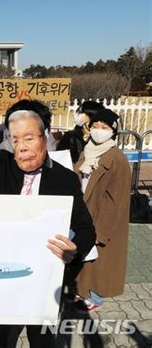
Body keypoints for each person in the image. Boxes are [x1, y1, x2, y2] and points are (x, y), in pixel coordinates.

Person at [0, 59, 96, 348]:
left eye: (29, 137)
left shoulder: (64, 179)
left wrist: (74, 250)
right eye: (15, 140)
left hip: (44, 279)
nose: (23, 146)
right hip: (2, 278)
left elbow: (86, 229)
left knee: (41, 340)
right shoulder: (1, 166)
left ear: (46, 137)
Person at [73, 109, 131, 312]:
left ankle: (95, 297)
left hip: (102, 219)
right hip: (85, 212)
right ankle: (83, 290)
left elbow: (116, 201)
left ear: (113, 131)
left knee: (100, 262)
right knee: (86, 259)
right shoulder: (87, 151)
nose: (98, 131)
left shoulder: (117, 159)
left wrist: (101, 230)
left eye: (104, 127)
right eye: (95, 126)